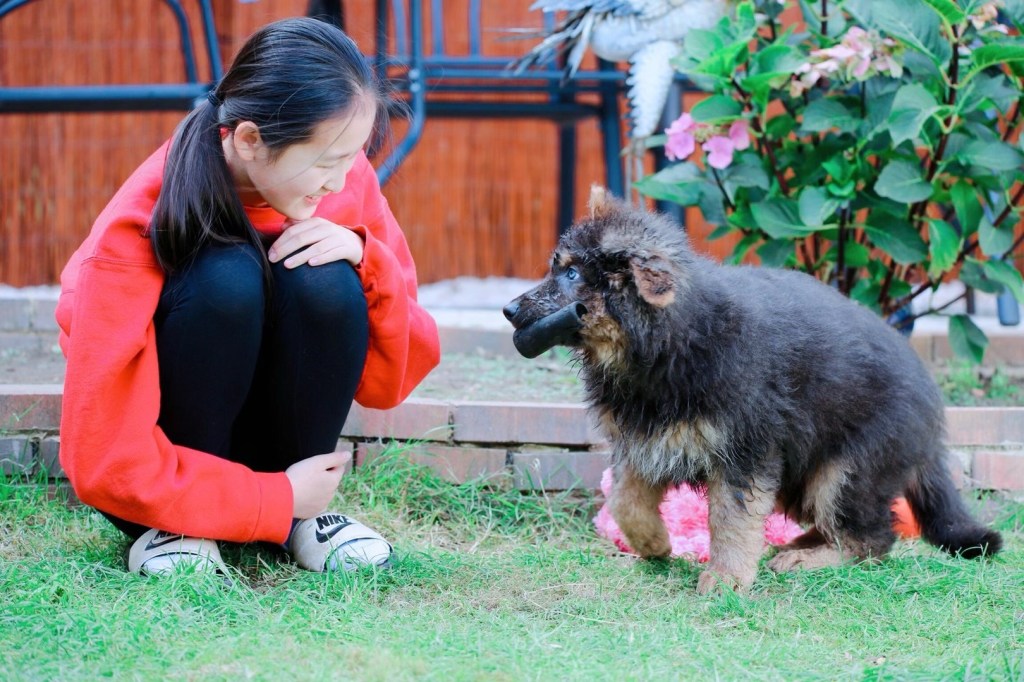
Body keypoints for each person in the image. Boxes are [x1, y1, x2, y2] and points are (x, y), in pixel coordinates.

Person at [55, 17, 440, 576]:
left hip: (287, 469)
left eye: (352, 159)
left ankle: (305, 520)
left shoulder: (347, 180)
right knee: (225, 277)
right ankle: (185, 526)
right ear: (250, 140)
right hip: (170, 473)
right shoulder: (141, 222)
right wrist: (271, 501)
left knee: (327, 274)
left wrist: (367, 260)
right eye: (326, 161)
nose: (341, 181)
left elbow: (392, 379)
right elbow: (99, 453)